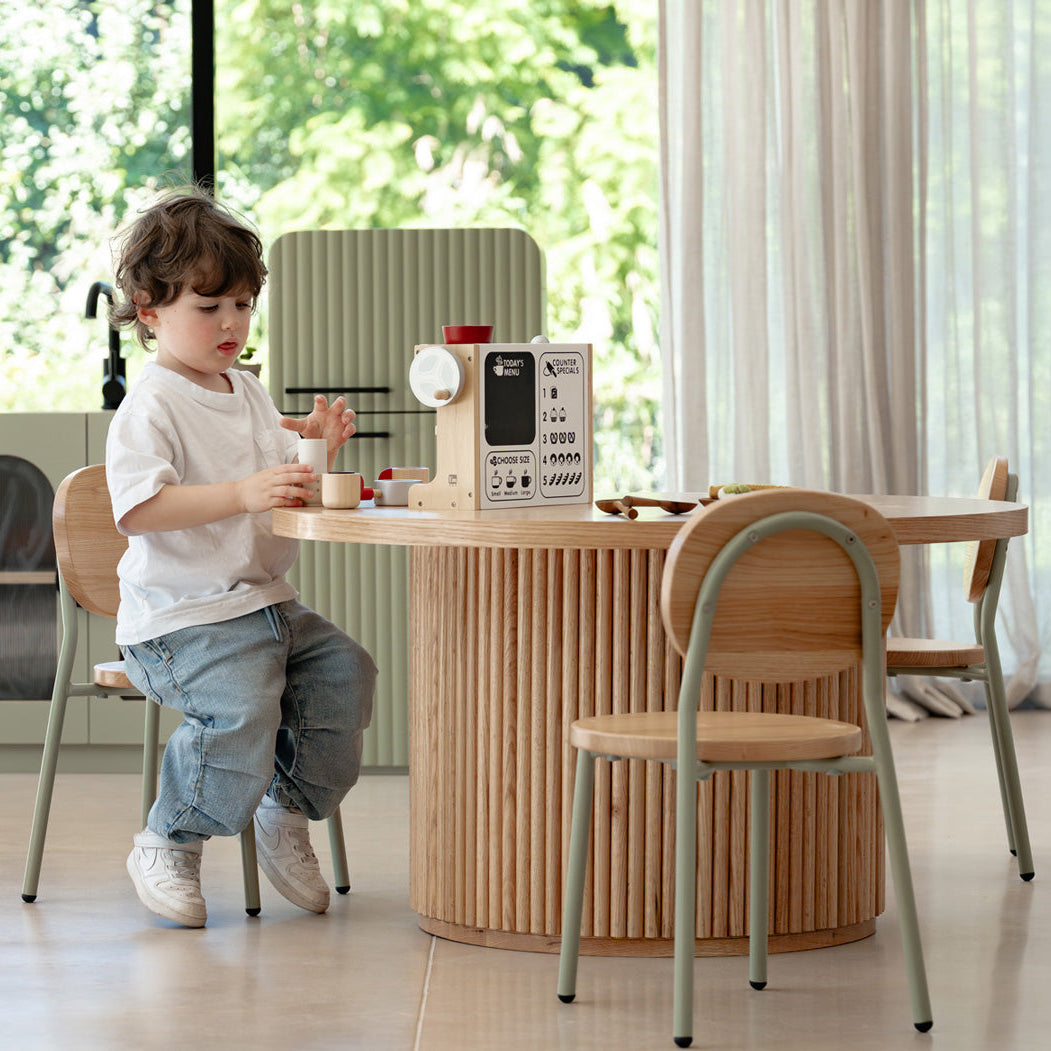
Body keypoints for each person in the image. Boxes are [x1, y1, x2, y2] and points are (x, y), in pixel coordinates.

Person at [105, 186, 377, 928]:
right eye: (209, 306)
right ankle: (169, 838)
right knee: (243, 705)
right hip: (182, 619)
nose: (231, 322)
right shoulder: (151, 405)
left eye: (243, 305)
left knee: (347, 674)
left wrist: (315, 443)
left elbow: (274, 466)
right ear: (149, 309)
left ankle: (283, 811)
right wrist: (241, 493)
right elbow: (140, 508)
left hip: (264, 603)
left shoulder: (247, 391)